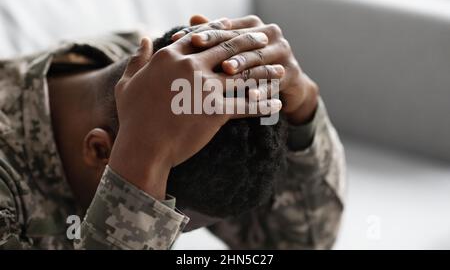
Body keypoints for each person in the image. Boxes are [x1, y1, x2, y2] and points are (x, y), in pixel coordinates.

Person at [0, 15, 345, 249]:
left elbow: (295, 241)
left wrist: (305, 107)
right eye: (166, 226)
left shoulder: (157, 70)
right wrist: (142, 162)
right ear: (99, 151)